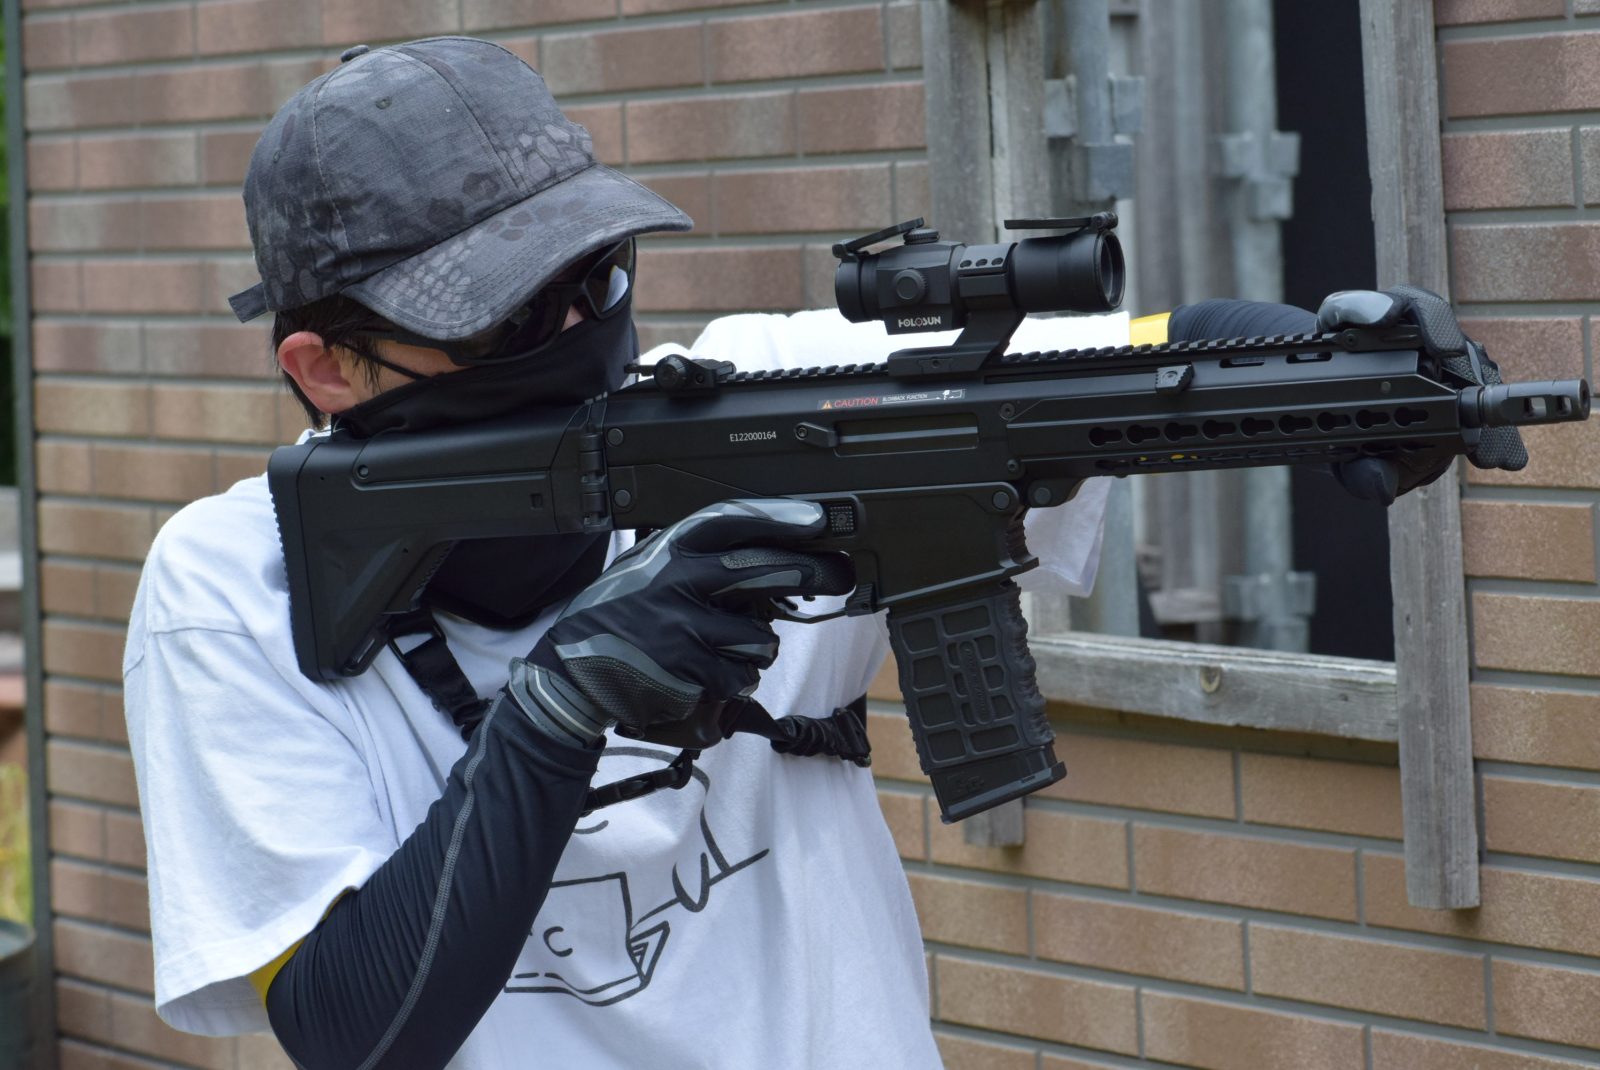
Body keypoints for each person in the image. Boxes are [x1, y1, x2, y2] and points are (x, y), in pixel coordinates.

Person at [124, 35, 1517, 1070]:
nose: (578, 335)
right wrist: (559, 706)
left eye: (594, 277)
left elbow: (1119, 362)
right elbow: (352, 1028)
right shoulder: (231, 588)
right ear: (328, 368)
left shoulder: (762, 398)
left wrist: (1321, 364)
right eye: (505, 317)